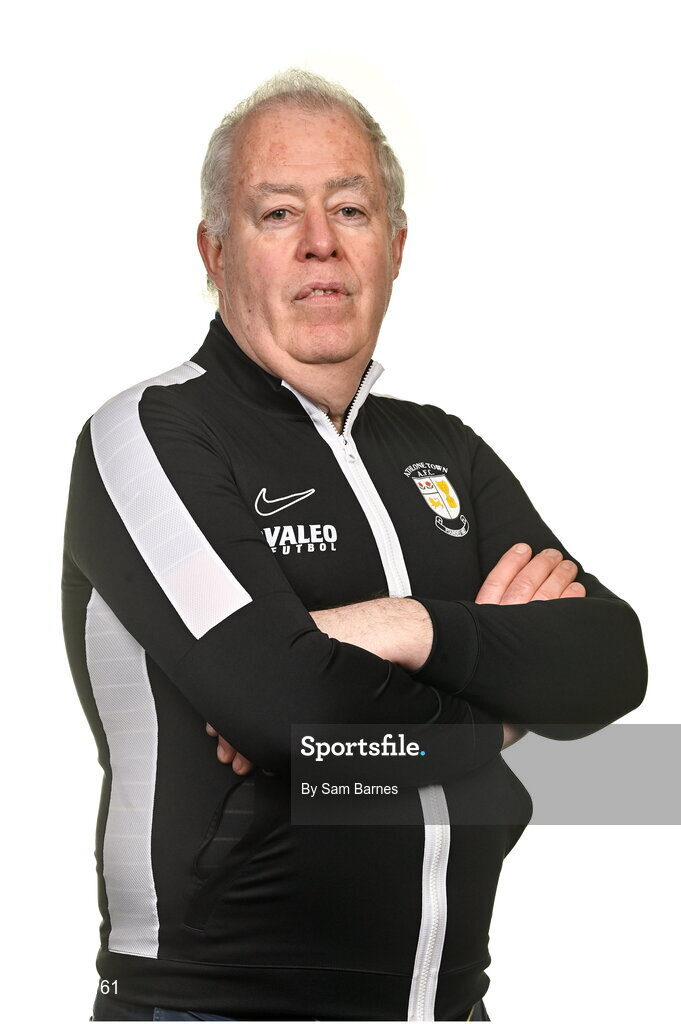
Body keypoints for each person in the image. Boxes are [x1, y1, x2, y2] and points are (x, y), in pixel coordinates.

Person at [62, 69, 647, 1022]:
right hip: (219, 1008)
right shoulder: (152, 434)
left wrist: (407, 627)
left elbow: (612, 664)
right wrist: (495, 718)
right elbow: (283, 711)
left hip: (454, 1006)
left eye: (350, 208)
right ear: (214, 252)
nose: (321, 243)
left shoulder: (442, 447)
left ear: (397, 244)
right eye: (277, 213)